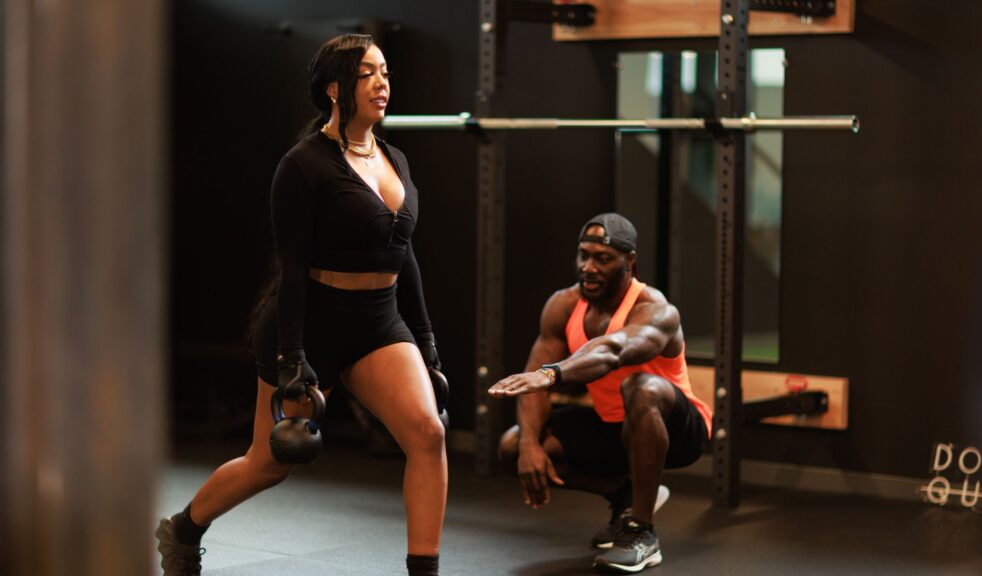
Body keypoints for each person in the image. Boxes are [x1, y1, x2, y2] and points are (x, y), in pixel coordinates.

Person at [155, 34, 448, 576]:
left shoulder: (395, 158)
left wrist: (426, 342)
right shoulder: (304, 164)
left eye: (385, 72)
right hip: (311, 322)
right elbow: (289, 268)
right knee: (268, 463)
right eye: (368, 74)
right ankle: (184, 527)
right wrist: (293, 357)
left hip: (380, 321)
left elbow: (404, 256)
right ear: (335, 87)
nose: (382, 84)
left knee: (429, 435)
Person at [488, 213, 712, 574]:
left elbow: (612, 351)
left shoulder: (655, 310)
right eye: (583, 256)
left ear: (630, 262)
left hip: (679, 432)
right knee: (512, 446)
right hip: (615, 428)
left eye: (602, 259)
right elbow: (534, 381)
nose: (588, 268)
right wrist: (531, 442)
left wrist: (551, 374)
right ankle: (624, 494)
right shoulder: (563, 305)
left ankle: (642, 533)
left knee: (640, 386)